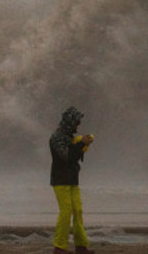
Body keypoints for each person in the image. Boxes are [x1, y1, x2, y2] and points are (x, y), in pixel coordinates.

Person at [49, 106, 95, 254]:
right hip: (60, 180)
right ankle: (59, 247)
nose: (78, 125)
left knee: (78, 210)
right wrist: (82, 144)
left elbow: (73, 155)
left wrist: (82, 143)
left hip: (73, 179)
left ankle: (81, 246)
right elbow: (67, 157)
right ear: (70, 122)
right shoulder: (56, 138)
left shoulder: (70, 137)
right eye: (76, 122)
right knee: (66, 212)